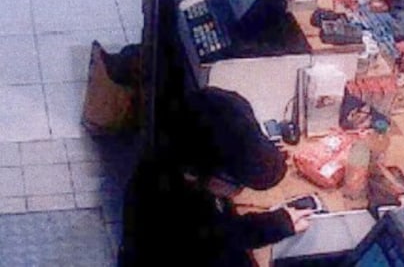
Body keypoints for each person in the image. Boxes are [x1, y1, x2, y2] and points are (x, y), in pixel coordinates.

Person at [119, 87, 313, 267]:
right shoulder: (168, 210)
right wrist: (275, 224)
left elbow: (220, 230)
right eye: (237, 182)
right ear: (193, 173)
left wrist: (276, 223)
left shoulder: (172, 160)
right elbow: (216, 237)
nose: (241, 190)